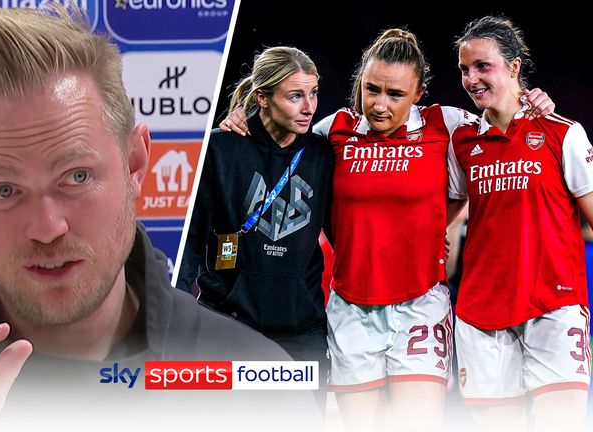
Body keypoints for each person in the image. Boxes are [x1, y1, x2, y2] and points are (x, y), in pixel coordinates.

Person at [0, 7, 320, 432]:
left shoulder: (254, 380)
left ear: (135, 165)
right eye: (4, 189)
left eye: (76, 176)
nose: (47, 226)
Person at [220, 29, 554, 432]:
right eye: (371, 89)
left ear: (419, 93)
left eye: (395, 94)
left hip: (421, 306)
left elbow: (504, 128)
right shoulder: (333, 130)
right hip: (351, 310)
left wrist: (532, 102)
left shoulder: (444, 125)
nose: (379, 105)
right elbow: (276, 140)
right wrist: (243, 118)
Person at [448, 16, 592, 432]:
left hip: (554, 305)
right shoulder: (462, 142)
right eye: (464, 69)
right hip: (480, 313)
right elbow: (449, 215)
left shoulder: (562, 133)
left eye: (482, 66)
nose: (471, 78)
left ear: (514, 67)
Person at [175, 46, 334, 410]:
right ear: (262, 97)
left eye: (313, 93)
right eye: (295, 96)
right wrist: (178, 310)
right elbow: (192, 238)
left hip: (302, 335)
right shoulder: (220, 148)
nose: (309, 106)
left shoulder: (323, 155)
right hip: (230, 327)